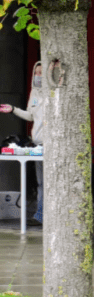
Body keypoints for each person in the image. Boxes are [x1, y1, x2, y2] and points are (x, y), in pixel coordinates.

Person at [0, 61, 43, 226]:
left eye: (41, 73)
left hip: (53, 143)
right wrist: (13, 109)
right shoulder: (35, 93)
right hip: (38, 142)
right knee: (41, 182)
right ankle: (40, 215)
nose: (38, 76)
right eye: (36, 73)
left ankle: (47, 215)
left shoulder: (54, 93)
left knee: (49, 182)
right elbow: (31, 116)